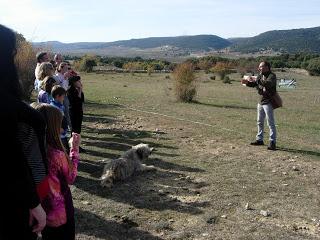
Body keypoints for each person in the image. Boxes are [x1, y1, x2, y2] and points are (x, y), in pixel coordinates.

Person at [0, 24, 46, 239]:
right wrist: (34, 202)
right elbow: (11, 155)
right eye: (12, 53)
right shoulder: (8, 106)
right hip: (12, 201)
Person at [32, 104, 80, 240]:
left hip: (40, 211)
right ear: (53, 127)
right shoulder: (56, 154)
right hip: (61, 214)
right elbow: (71, 177)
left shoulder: (31, 150)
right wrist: (74, 149)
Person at [241, 61, 278, 150]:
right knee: (259, 122)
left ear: (267, 67)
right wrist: (247, 82)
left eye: (260, 67)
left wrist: (256, 79)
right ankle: (260, 139)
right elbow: (255, 84)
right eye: (259, 67)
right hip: (261, 102)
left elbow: (267, 84)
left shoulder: (272, 76)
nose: (259, 68)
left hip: (269, 102)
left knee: (270, 123)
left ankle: (272, 142)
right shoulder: (260, 75)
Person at [67, 75, 86, 152]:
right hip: (73, 112)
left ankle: (77, 145)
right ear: (74, 82)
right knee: (74, 130)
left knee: (78, 129)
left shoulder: (78, 90)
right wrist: (79, 91)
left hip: (79, 112)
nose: (80, 83)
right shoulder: (70, 91)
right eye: (78, 81)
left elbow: (82, 100)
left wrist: (80, 90)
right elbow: (76, 101)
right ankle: (73, 146)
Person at [51, 85, 69, 151]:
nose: (64, 98)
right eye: (63, 97)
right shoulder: (54, 108)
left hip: (63, 134)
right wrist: (60, 129)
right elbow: (54, 122)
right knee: (63, 153)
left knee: (66, 151)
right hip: (59, 136)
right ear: (57, 96)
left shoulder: (60, 105)